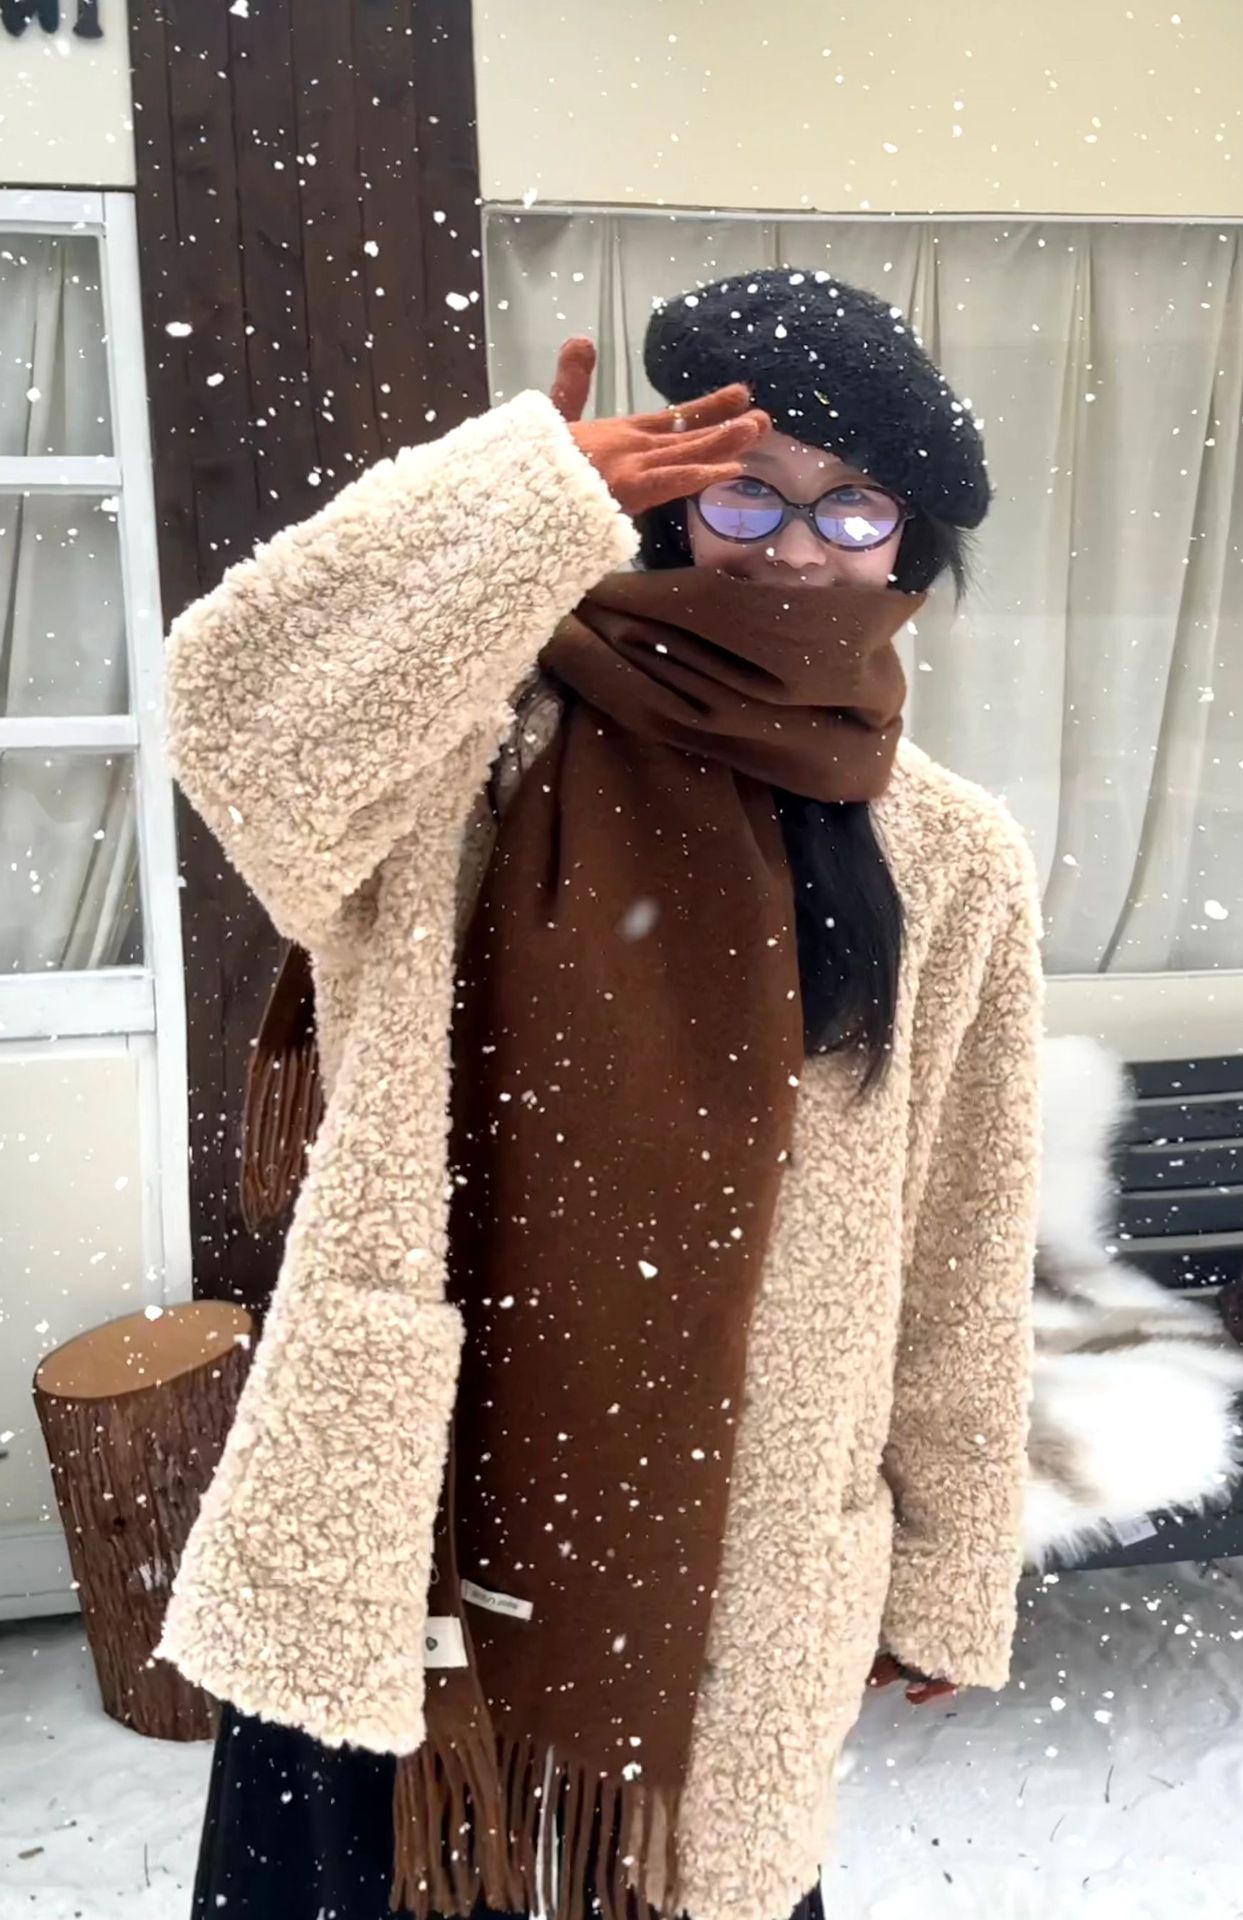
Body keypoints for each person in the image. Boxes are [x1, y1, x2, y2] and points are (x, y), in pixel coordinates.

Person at [159, 269, 1043, 1920]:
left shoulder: (947, 854)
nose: (794, 550)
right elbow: (237, 720)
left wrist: (946, 1554)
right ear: (667, 499)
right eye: (746, 491)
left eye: (852, 507)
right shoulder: (471, 741)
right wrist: (515, 498)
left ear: (909, 549)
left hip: (731, 1560)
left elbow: (961, 1234)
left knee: (676, 1880)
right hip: (406, 1528)